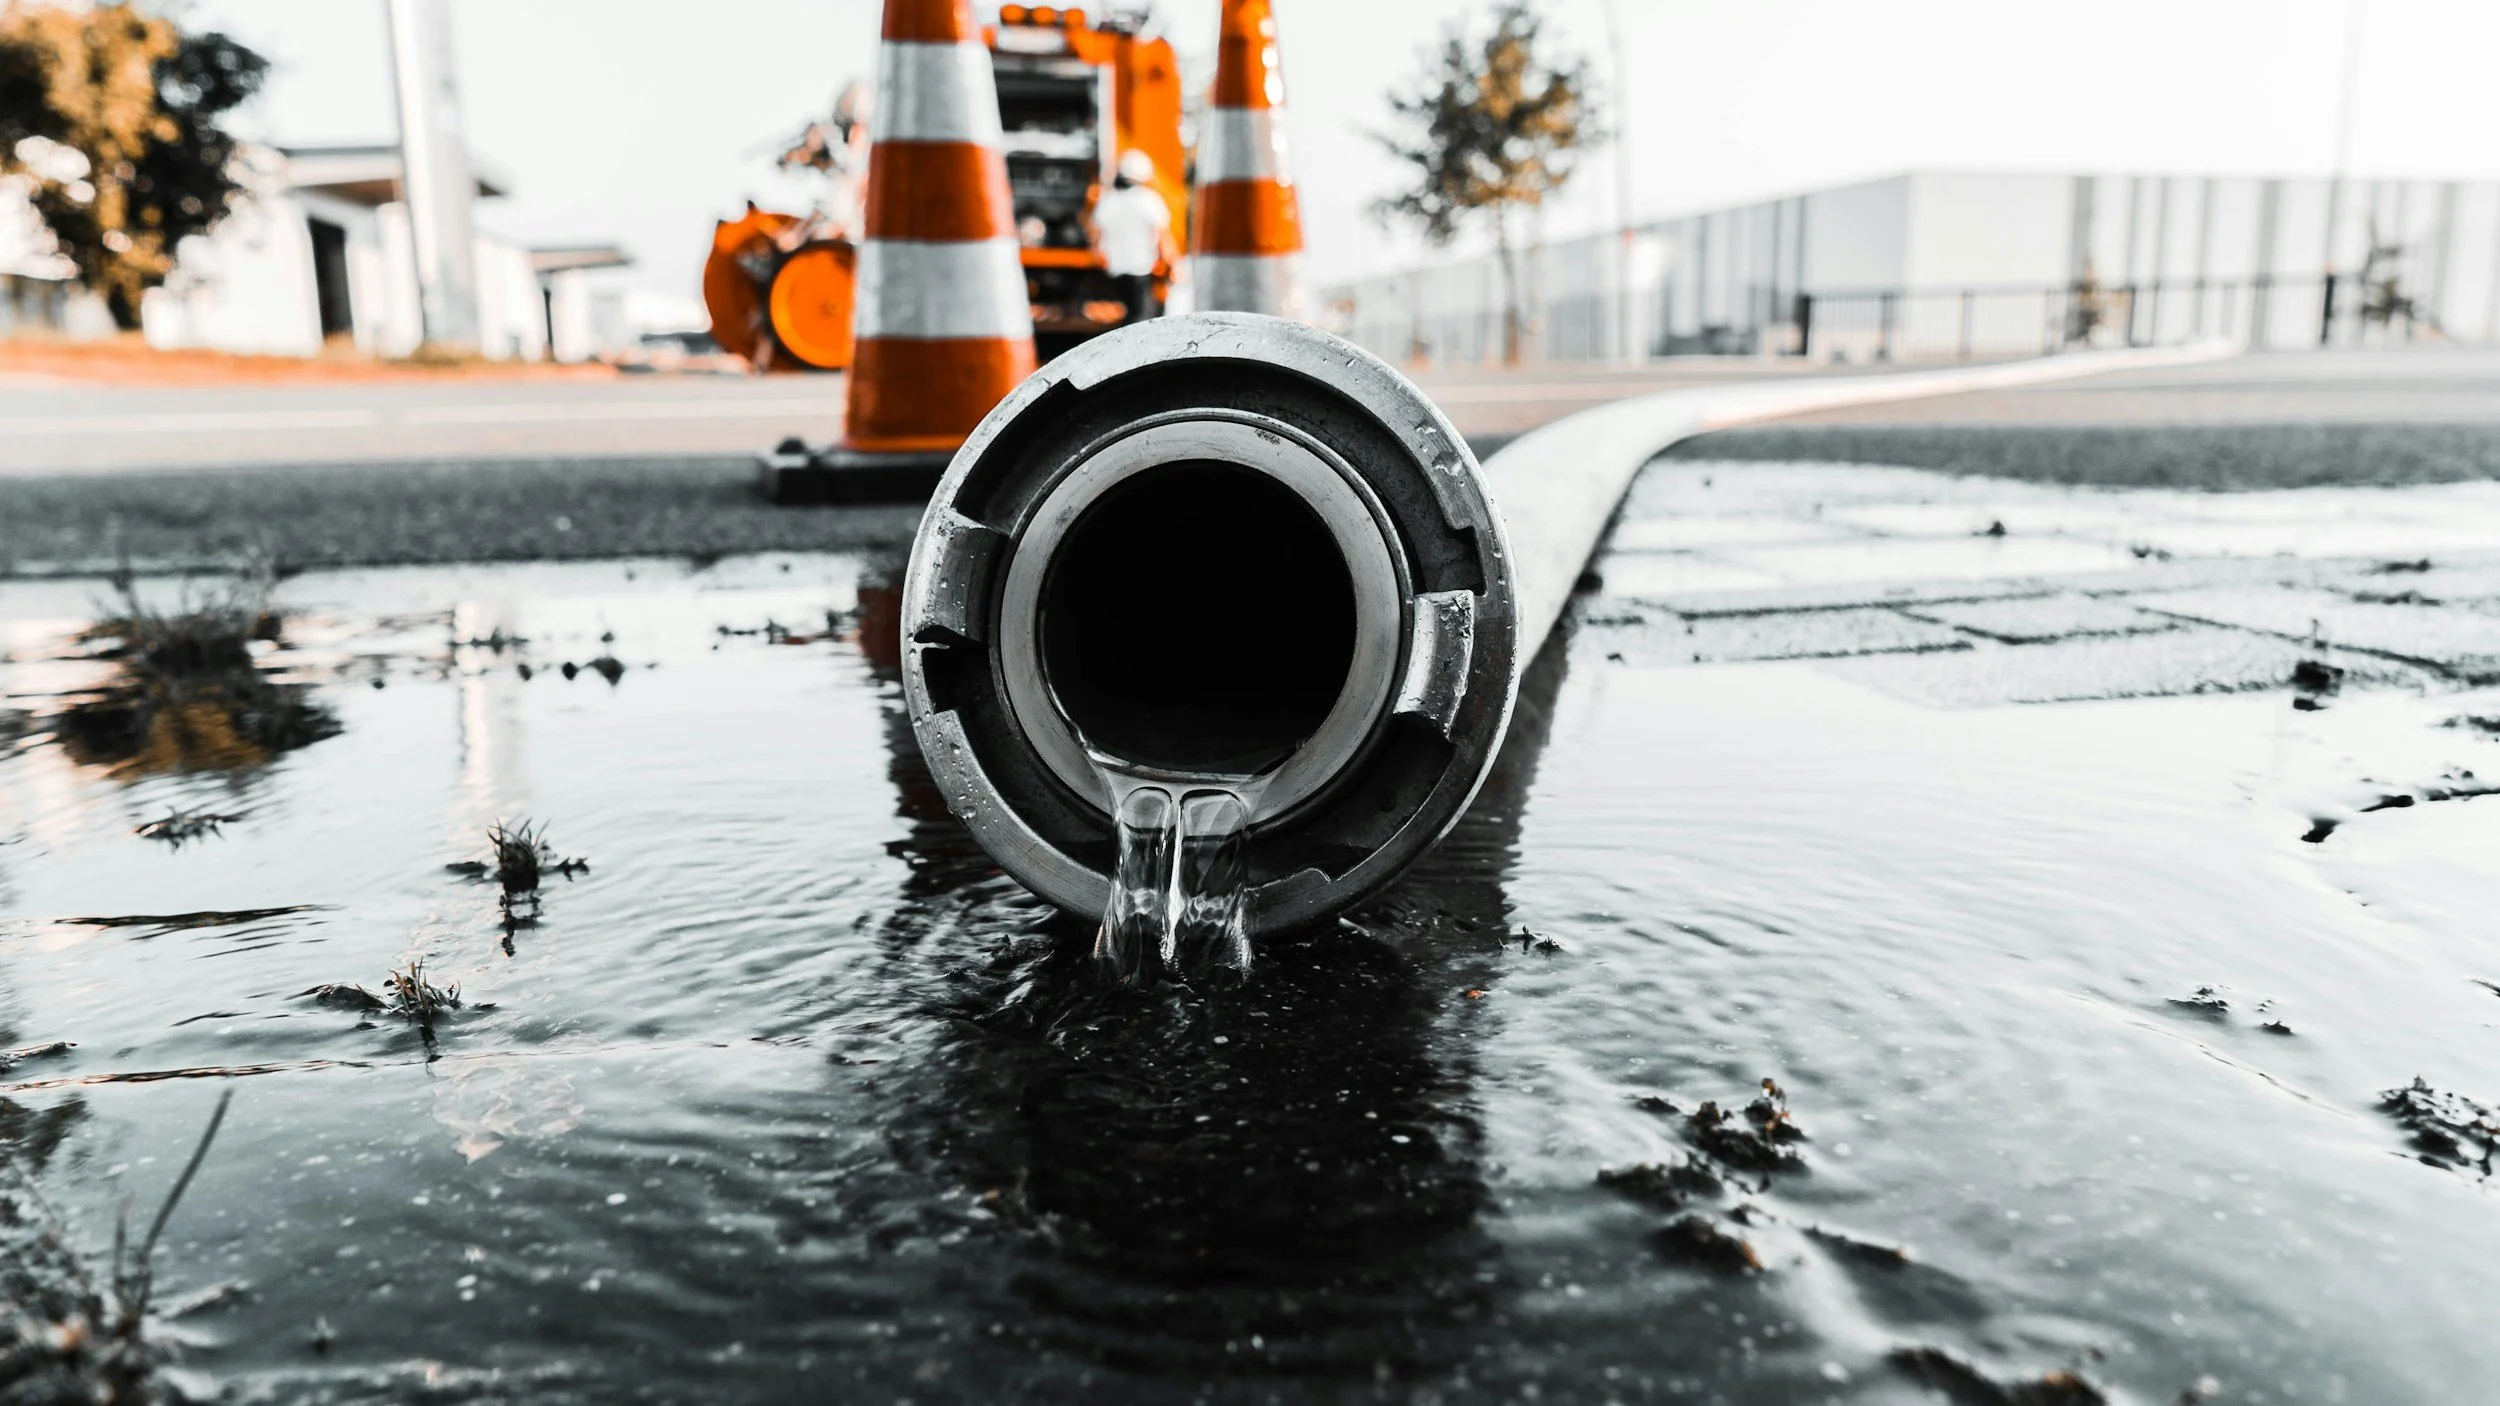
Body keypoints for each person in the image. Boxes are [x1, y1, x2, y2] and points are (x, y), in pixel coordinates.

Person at [1092, 148, 1175, 325]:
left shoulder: (1108, 201)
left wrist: (1098, 256)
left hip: (1116, 269)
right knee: (1143, 318)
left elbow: (1096, 235)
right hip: (1141, 268)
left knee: (1129, 314)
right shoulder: (1149, 200)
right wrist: (1171, 263)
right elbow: (1162, 237)